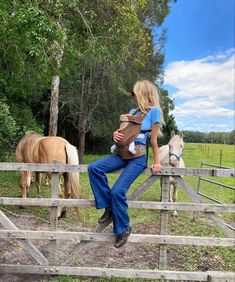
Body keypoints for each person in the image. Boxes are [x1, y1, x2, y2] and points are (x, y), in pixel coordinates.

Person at [88, 80, 164, 248]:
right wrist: (115, 134)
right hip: (122, 153)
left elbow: (153, 140)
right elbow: (124, 133)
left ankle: (123, 228)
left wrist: (157, 162)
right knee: (94, 168)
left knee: (117, 191)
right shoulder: (131, 111)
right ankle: (108, 208)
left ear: (143, 94)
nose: (132, 97)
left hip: (138, 157)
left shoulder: (154, 112)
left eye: (134, 94)